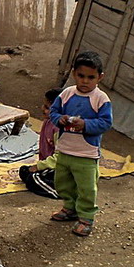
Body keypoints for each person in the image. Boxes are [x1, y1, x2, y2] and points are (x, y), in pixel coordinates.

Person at [48, 51, 113, 237]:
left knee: (86, 188)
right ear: (74, 73)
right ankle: (69, 208)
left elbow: (106, 123)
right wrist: (61, 119)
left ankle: (86, 217)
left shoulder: (101, 99)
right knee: (63, 183)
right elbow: (53, 113)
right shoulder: (67, 93)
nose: (85, 81)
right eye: (81, 76)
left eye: (91, 77)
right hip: (65, 151)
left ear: (100, 77)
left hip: (86, 154)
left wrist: (85, 124)